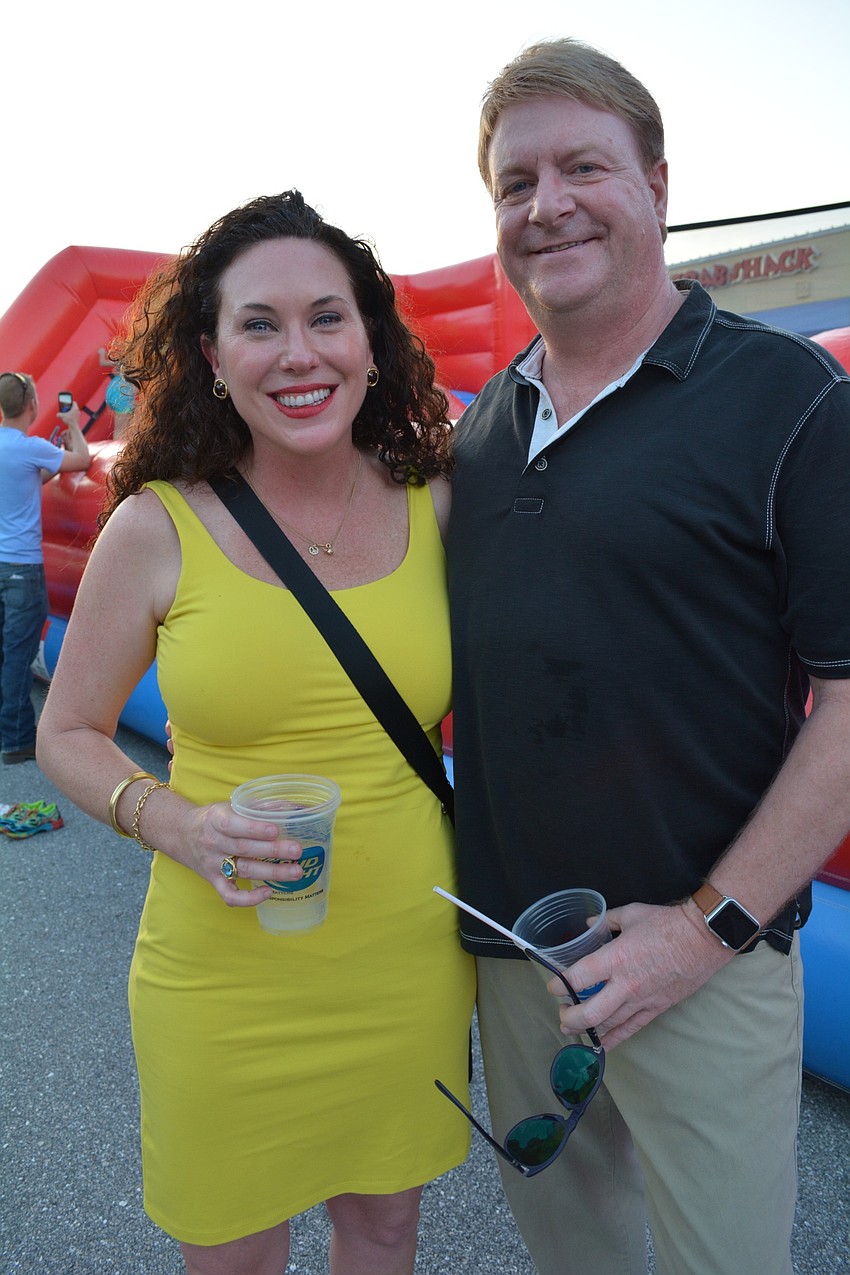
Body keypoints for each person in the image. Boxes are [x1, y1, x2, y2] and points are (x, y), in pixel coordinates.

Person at [445, 37, 850, 1275]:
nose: (547, 204)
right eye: (516, 183)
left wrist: (701, 930)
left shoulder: (787, 399)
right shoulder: (479, 429)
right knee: (571, 1260)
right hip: (513, 957)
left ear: (658, 186)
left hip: (706, 957)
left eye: (583, 167)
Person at [36, 191, 475, 1275]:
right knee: (231, 1244)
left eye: (327, 317)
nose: (299, 353)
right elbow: (71, 730)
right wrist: (173, 822)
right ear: (211, 355)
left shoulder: (443, 502)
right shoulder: (156, 525)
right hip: (222, 968)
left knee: (383, 1226)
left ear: (371, 340)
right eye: (260, 325)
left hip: (401, 956)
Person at [0, 373, 90, 764]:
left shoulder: (18, 451)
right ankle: (17, 740)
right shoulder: (29, 447)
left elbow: (29, 481)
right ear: (32, 405)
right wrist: (72, 426)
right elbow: (83, 460)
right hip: (22, 568)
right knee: (17, 657)